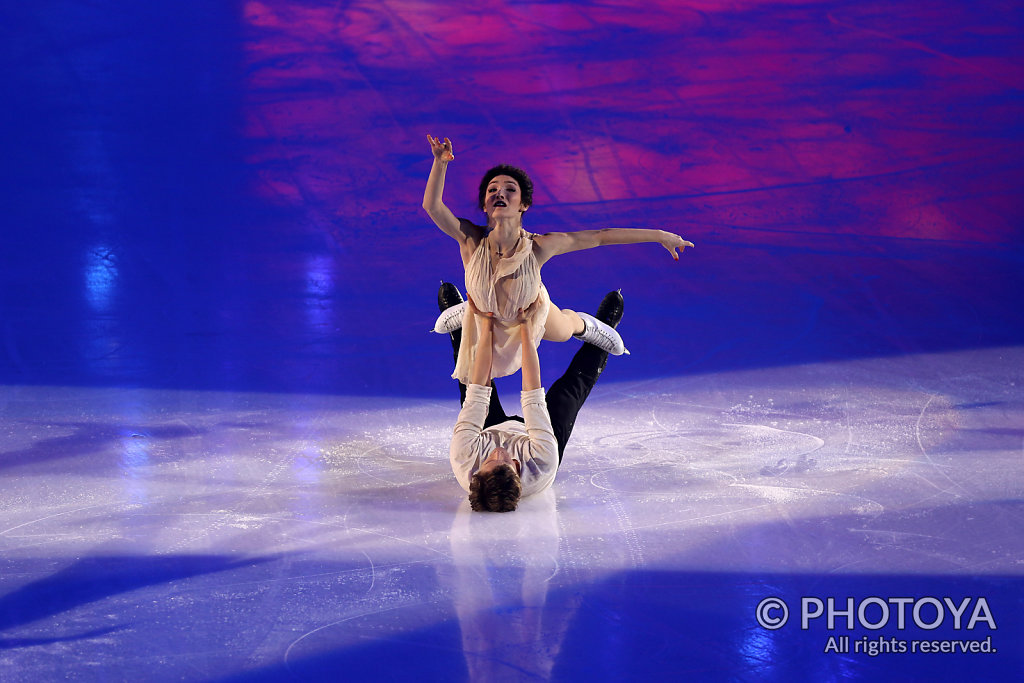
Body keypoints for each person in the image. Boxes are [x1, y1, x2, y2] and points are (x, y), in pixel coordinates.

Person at [423, 135, 693, 386]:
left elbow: (600, 237)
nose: (499, 193)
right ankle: (466, 310)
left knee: (564, 330)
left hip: (527, 312)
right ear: (484, 205)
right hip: (484, 315)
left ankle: (589, 325)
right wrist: (440, 163)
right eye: (492, 190)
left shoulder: (539, 246)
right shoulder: (470, 239)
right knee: (477, 341)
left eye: (509, 189)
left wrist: (660, 235)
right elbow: (433, 207)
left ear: (523, 204)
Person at [442, 282, 624, 512]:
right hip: (534, 440)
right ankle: (604, 325)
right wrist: (527, 329)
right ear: (517, 466)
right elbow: (532, 395)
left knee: (468, 378)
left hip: (489, 431)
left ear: (477, 471)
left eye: (489, 460)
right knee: (571, 389)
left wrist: (485, 324)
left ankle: (463, 322)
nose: (498, 453)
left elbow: (478, 390)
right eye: (505, 460)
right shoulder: (542, 462)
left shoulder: (464, 457)